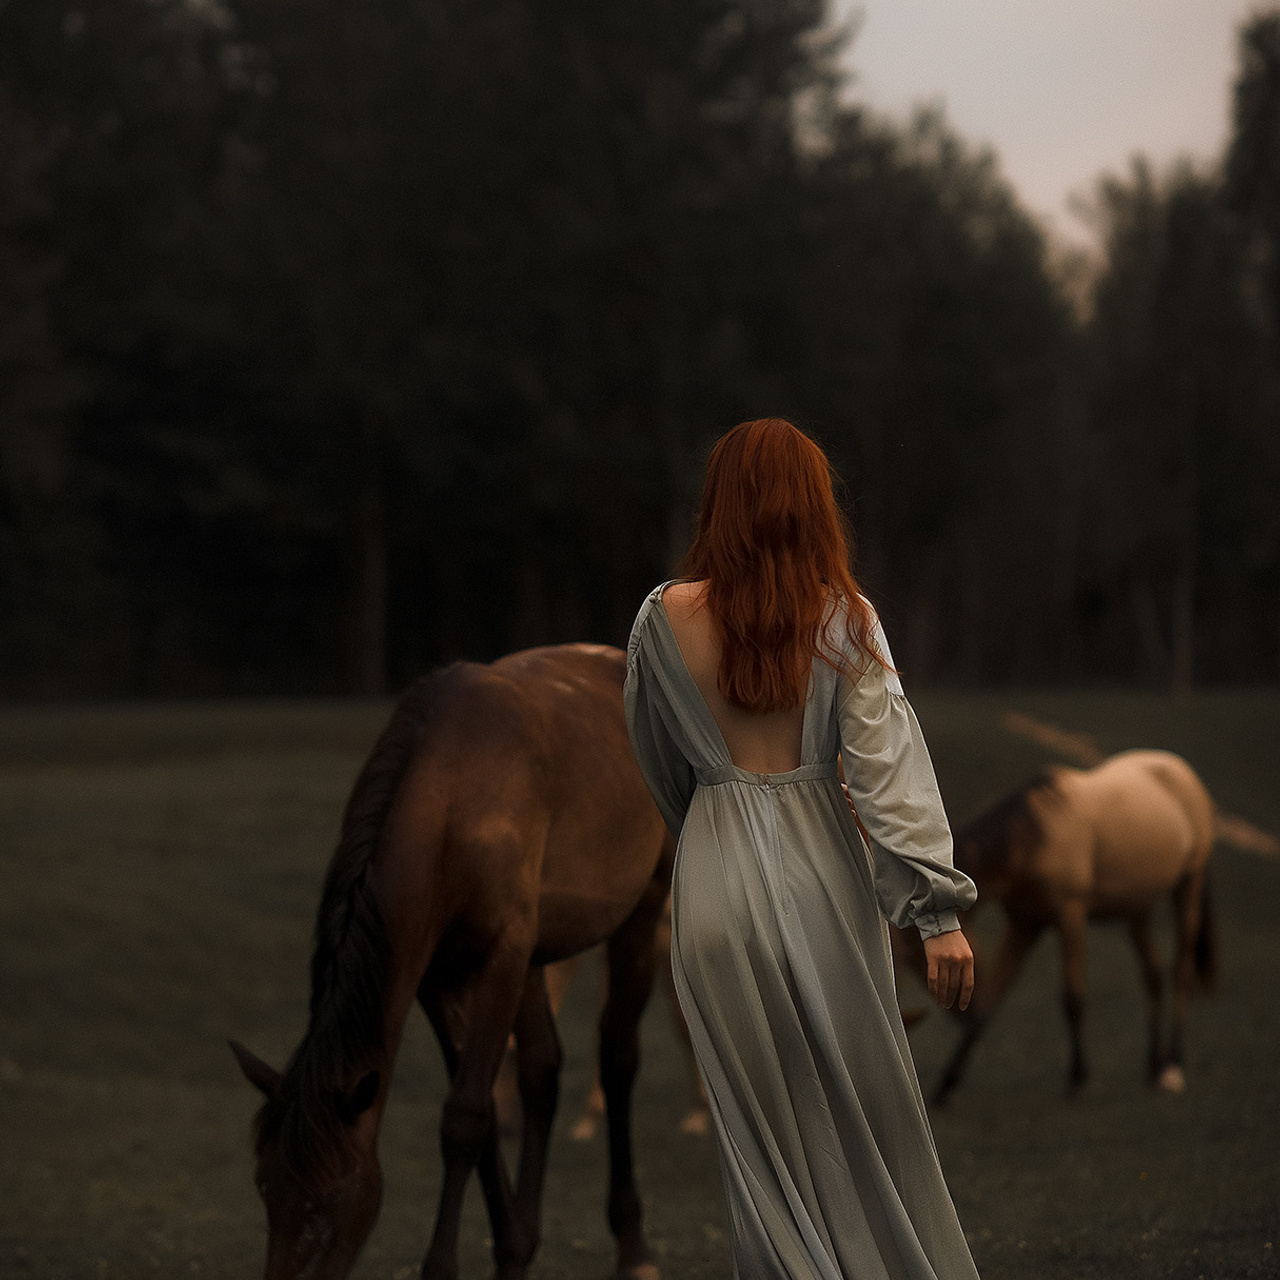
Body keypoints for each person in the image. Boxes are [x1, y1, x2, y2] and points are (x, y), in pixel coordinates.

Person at [623, 418, 981, 1280]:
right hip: (822, 880)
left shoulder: (660, 618)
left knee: (759, 1152)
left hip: (709, 887)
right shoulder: (845, 622)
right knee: (861, 1119)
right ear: (814, 506)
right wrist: (936, 916)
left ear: (722, 502)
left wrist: (713, 827)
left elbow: (655, 755)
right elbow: (889, 774)